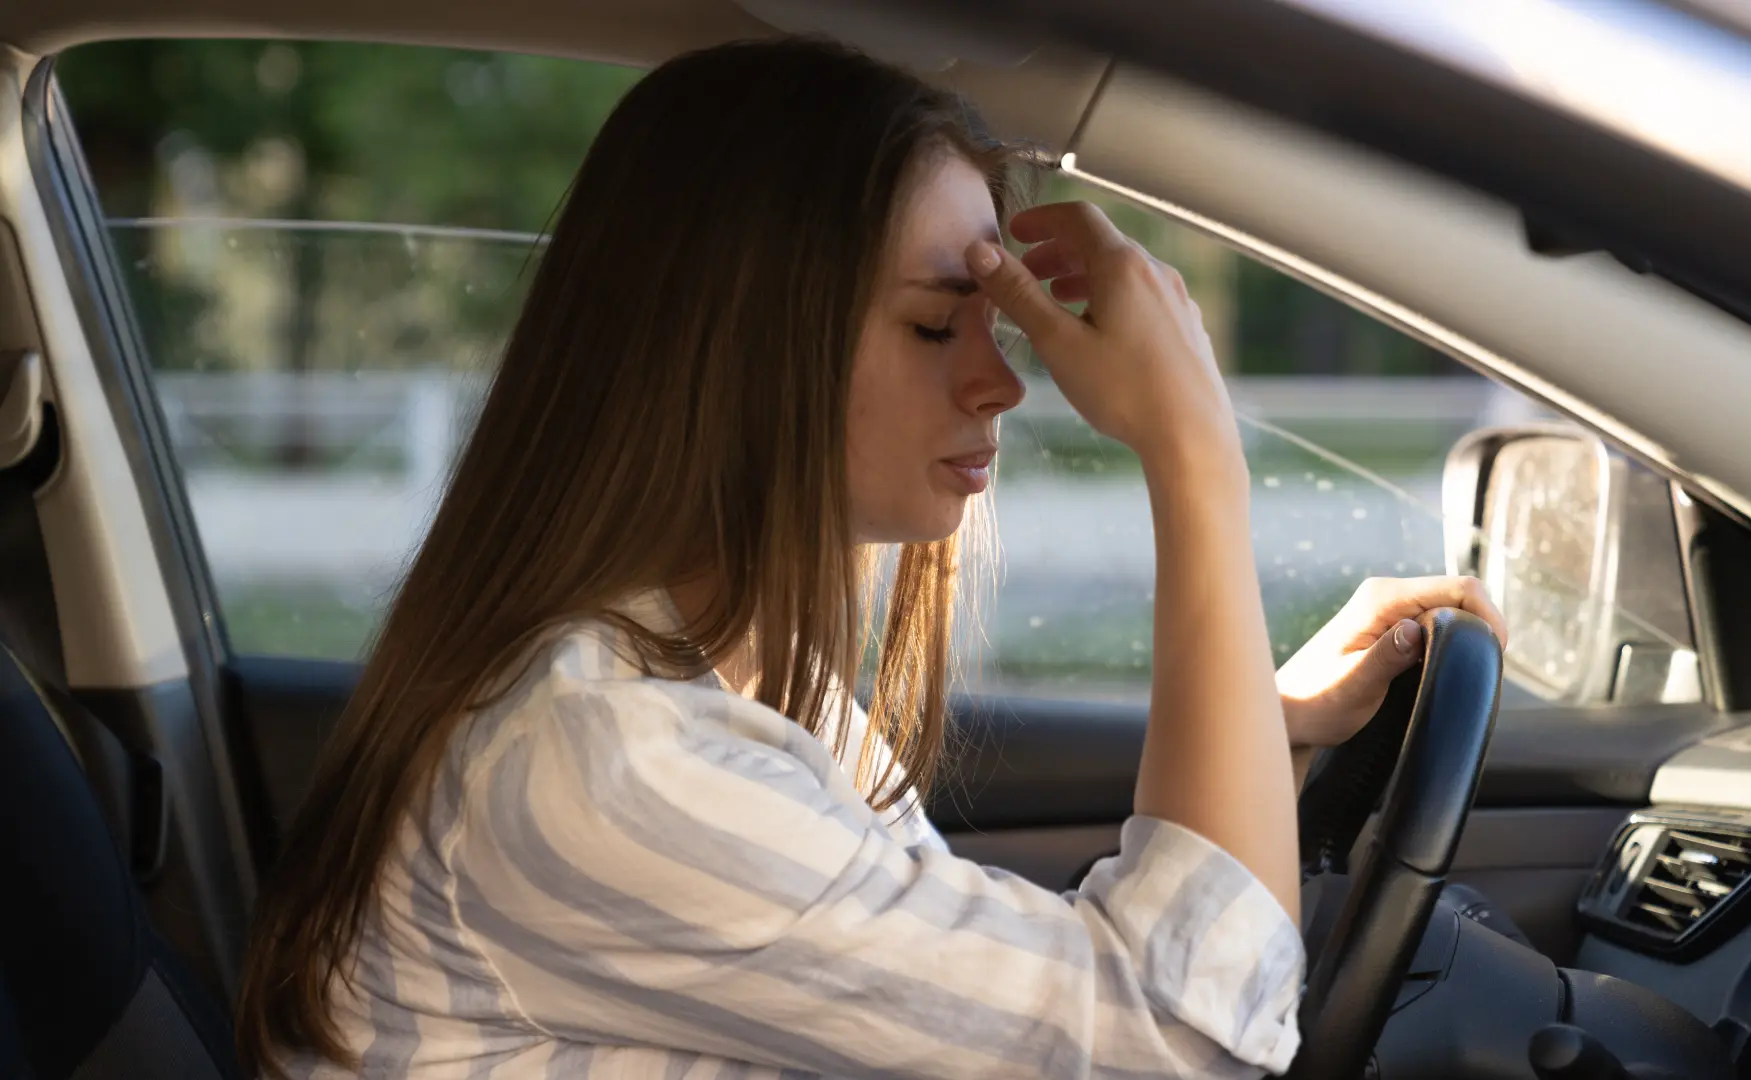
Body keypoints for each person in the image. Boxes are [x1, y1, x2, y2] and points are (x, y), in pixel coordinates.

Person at [236, 36, 1506, 1080]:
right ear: (735, 348)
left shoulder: (705, 676)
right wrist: (1196, 464)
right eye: (935, 323)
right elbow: (1173, 1046)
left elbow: (983, 986)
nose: (1001, 381)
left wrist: (1260, 728)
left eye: (996, 320)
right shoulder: (608, 763)